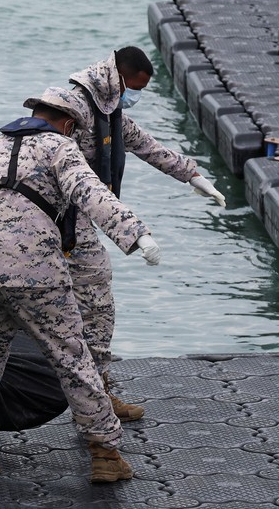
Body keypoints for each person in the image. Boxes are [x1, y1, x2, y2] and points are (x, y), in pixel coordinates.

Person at [0, 87, 162, 483]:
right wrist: (136, 234)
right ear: (69, 124)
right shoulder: (60, 147)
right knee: (73, 358)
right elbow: (90, 193)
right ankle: (105, 454)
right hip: (33, 266)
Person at [66, 47, 226, 421]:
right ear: (119, 77)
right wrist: (135, 234)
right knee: (96, 305)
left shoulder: (107, 107)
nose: (135, 96)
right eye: (133, 88)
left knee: (80, 310)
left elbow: (145, 145)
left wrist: (193, 175)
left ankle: (96, 395)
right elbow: (77, 181)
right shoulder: (76, 108)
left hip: (83, 215)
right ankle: (96, 402)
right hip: (65, 218)